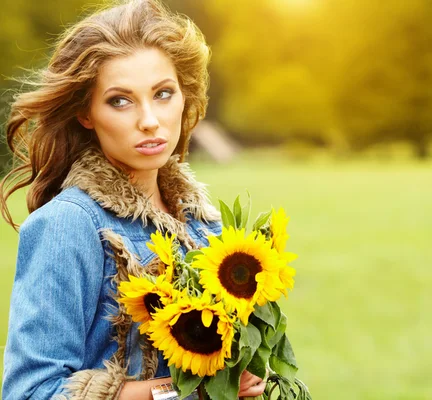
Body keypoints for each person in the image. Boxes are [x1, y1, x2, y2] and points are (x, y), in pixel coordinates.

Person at [1, 1, 266, 398]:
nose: (149, 120)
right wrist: (183, 390)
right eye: (120, 100)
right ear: (86, 113)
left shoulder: (205, 226)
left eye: (163, 93)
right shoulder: (70, 224)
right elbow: (31, 391)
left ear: (184, 96)